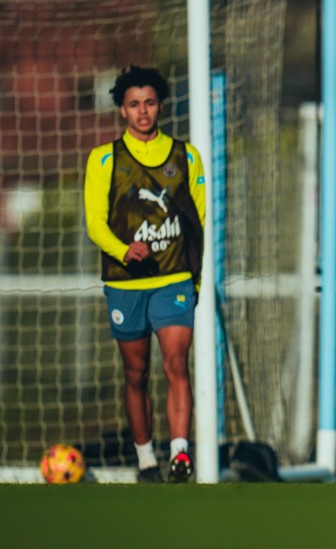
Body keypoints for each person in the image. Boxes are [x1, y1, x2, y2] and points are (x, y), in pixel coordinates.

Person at [83, 65, 205, 483]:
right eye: (134, 104)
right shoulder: (103, 159)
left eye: (149, 103)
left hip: (173, 280)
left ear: (161, 106)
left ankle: (180, 454)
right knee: (136, 374)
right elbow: (94, 223)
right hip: (125, 283)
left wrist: (196, 280)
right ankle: (146, 459)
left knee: (176, 363)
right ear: (122, 110)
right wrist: (123, 249)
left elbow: (198, 221)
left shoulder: (185, 156)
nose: (143, 112)